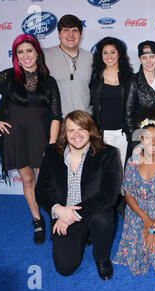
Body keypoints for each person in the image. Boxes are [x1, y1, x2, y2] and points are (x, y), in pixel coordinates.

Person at [0, 34, 62, 245]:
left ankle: (54, 217)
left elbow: (56, 116)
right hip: (15, 138)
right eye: (20, 52)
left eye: (29, 51)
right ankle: (37, 220)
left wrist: (51, 144)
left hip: (41, 138)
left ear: (37, 53)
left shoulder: (48, 82)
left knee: (46, 183)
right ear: (15, 55)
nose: (25, 56)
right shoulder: (8, 77)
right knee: (27, 180)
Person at [35, 110, 122, 281]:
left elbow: (109, 195)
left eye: (82, 129)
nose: (77, 135)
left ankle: (101, 258)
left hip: (92, 211)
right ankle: (84, 236)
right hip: (63, 212)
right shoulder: (52, 153)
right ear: (64, 133)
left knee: (104, 218)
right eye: (71, 130)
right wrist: (58, 210)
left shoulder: (108, 153)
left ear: (90, 130)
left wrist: (73, 214)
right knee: (65, 268)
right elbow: (41, 190)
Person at [113, 107, 155, 279]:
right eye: (148, 138)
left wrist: (154, 228)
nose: (153, 143)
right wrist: (145, 219)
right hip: (137, 211)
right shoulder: (132, 162)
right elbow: (128, 194)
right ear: (141, 139)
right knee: (137, 251)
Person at [90, 36, 134, 167]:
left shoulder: (129, 78)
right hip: (103, 133)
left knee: (123, 170)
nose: (109, 56)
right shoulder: (95, 78)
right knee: (106, 171)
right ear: (100, 55)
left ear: (119, 54)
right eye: (105, 52)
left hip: (124, 133)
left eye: (113, 52)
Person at [125, 40, 155, 157]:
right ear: (140, 59)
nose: (149, 61)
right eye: (144, 57)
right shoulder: (133, 82)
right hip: (142, 140)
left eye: (152, 57)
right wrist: (136, 143)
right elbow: (127, 116)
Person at [44, 14, 93, 117]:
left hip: (84, 121)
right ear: (59, 34)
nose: (71, 35)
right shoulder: (45, 56)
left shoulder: (90, 58)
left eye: (75, 30)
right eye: (66, 30)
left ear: (80, 34)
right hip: (56, 121)